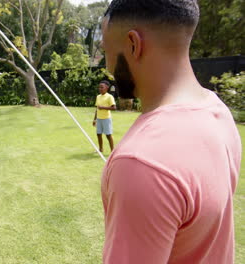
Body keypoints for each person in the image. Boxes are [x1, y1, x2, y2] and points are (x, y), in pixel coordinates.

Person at [100, 0, 241, 263]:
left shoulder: (141, 163)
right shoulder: (218, 113)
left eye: (106, 50)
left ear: (133, 44)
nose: (106, 66)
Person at [92, 80, 116, 153]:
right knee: (98, 134)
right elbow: (97, 109)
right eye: (99, 87)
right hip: (99, 119)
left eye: (102, 87)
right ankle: (100, 149)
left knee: (108, 135)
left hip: (106, 119)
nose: (100, 89)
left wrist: (103, 108)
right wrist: (94, 119)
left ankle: (112, 151)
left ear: (107, 88)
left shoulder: (109, 97)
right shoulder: (98, 96)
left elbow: (114, 108)